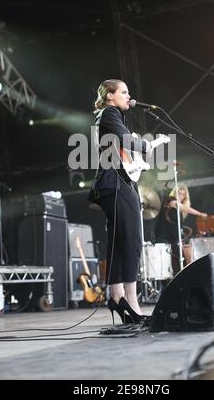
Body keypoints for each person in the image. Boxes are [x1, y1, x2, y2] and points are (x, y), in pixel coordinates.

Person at [88, 79, 153, 324]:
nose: (129, 96)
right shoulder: (110, 113)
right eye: (124, 92)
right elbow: (127, 141)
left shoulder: (110, 115)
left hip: (114, 183)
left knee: (117, 242)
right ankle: (132, 300)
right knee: (133, 240)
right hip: (115, 184)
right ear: (110, 96)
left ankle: (116, 296)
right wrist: (146, 145)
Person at [155, 184, 207, 274]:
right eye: (179, 194)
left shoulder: (181, 208)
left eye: (183, 195)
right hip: (163, 236)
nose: (181, 196)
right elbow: (184, 208)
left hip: (174, 238)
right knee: (163, 263)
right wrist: (199, 213)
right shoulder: (170, 200)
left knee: (179, 261)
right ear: (175, 193)